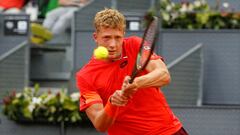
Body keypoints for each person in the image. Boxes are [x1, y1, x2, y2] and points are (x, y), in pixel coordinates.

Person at [76, 8, 189, 135]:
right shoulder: (85, 76)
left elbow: (164, 75)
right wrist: (113, 103)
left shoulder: (135, 45)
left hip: (166, 131)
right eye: (106, 38)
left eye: (117, 37)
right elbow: (100, 124)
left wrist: (136, 83)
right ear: (95, 37)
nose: (113, 44)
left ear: (123, 34)